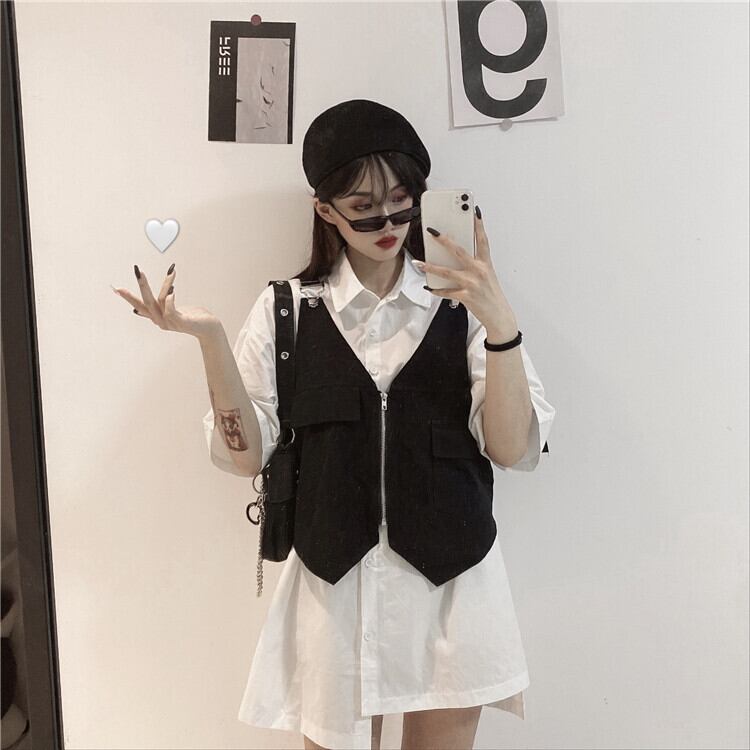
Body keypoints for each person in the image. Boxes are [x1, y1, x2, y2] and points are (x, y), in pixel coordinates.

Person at [113, 99, 555, 750]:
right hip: (334, 593)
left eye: (403, 201)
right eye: (363, 206)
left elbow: (512, 448)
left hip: (453, 591)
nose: (389, 223)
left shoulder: (464, 309)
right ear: (325, 211)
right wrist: (208, 339)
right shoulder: (287, 311)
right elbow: (246, 456)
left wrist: (501, 325)